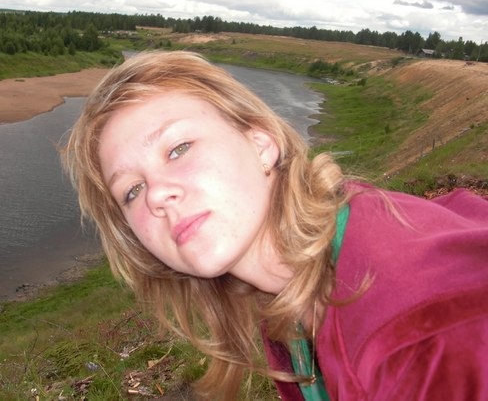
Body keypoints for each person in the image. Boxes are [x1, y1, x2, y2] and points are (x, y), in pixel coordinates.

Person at [62, 50, 488, 400]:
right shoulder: (288, 300)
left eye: (178, 149)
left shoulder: (419, 330)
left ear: (261, 144)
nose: (156, 195)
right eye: (131, 190)